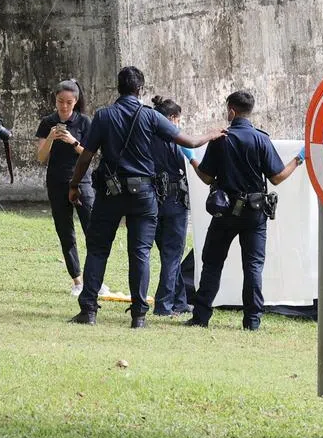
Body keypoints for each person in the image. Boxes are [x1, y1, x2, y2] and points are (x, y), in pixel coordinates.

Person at [67, 67, 225, 329]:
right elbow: (189, 141)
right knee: (140, 253)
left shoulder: (104, 116)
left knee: (98, 249)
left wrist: (74, 185)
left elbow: (87, 155)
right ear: (140, 90)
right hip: (144, 194)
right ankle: (139, 315)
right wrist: (212, 134)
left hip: (110, 192)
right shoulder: (150, 117)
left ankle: (89, 310)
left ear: (118, 87)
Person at [186, 90, 304, 331]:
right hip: (254, 213)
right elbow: (277, 177)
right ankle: (252, 321)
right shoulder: (261, 139)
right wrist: (299, 159)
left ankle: (201, 317)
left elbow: (207, 178)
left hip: (224, 212)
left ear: (232, 111)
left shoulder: (221, 139)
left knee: (212, 263)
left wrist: (191, 159)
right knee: (253, 266)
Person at [35, 79, 99, 297]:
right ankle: (77, 281)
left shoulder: (85, 122)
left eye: (69, 102)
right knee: (65, 232)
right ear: (55, 100)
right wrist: (51, 138)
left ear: (76, 101)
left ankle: (95, 280)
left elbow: (90, 154)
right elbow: (42, 157)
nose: (64, 106)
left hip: (82, 182)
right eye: (60, 101)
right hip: (56, 182)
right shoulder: (47, 122)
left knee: (92, 230)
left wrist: (72, 141)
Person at [149, 95, 199, 317]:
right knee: (172, 255)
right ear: (172, 118)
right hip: (174, 201)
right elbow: (196, 164)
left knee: (169, 254)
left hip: (151, 202)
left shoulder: (146, 138)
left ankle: (179, 301)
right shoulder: (178, 142)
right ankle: (164, 304)